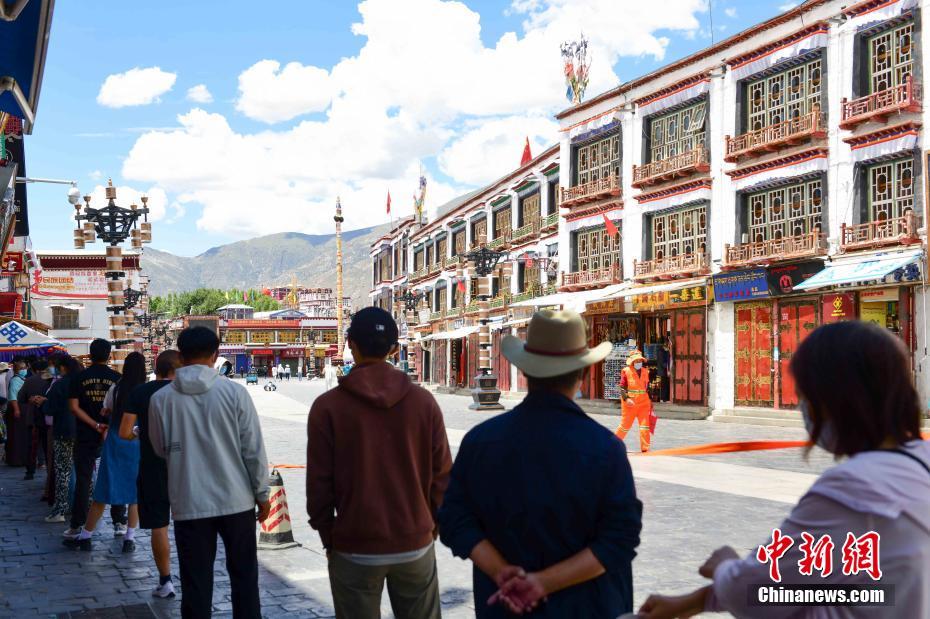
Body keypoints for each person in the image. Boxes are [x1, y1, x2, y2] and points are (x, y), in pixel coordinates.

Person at [639, 321, 930, 619]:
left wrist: (725, 567)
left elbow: (756, 591)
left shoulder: (854, 487)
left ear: (832, 399)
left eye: (805, 395)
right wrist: (698, 600)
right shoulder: (919, 462)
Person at [438, 310, 643, 617]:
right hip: (587, 608)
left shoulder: (480, 442)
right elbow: (618, 540)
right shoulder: (605, 449)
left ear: (525, 370)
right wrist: (541, 584)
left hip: (504, 608)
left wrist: (501, 572)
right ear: (584, 373)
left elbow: (455, 520)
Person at [307, 307, 452, 619]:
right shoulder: (424, 403)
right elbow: (442, 476)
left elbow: (318, 485)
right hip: (414, 544)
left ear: (350, 344)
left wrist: (329, 536)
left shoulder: (327, 407)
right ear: (394, 349)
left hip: (354, 546)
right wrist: (430, 527)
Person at [150, 326, 270, 618]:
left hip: (189, 501)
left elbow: (160, 448)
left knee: (195, 583)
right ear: (216, 355)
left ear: (180, 357)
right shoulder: (235, 393)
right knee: (244, 578)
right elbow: (253, 450)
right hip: (236, 501)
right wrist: (262, 494)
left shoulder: (161, 400)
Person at [65, 352, 146, 552]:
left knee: (103, 490)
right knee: (135, 494)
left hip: (115, 441)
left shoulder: (116, 388)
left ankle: (86, 536)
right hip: (136, 443)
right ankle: (129, 537)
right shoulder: (144, 391)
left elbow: (105, 409)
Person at [119, 349, 182, 599]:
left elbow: (124, 432)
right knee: (191, 525)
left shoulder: (141, 392)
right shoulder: (188, 392)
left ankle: (166, 581)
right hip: (186, 467)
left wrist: (138, 432)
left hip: (152, 465)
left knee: (159, 525)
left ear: (157, 369)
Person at [64, 339, 124, 540]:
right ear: (109, 356)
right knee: (115, 475)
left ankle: (77, 524)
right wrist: (106, 425)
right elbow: (121, 408)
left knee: (83, 479)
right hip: (112, 432)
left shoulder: (79, 378)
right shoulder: (117, 378)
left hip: (85, 433)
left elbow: (73, 408)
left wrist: (94, 424)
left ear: (90, 355)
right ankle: (119, 521)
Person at [43, 356, 81, 523]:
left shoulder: (60, 385)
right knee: (84, 471)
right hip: (83, 432)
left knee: (63, 472)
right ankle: (85, 505)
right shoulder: (83, 383)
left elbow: (49, 409)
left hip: (63, 432)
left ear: (63, 368)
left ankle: (60, 510)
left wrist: (42, 403)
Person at [18, 359, 52, 484]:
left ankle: (30, 472)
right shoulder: (52, 380)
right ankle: (49, 472)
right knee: (48, 447)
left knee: (31, 446)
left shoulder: (30, 380)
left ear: (35, 370)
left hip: (33, 418)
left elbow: (20, 398)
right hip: (48, 418)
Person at [615, 350, 653, 453]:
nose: (639, 363)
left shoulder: (645, 371)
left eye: (640, 361)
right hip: (630, 403)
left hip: (644, 403)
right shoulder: (626, 371)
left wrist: (650, 401)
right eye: (636, 361)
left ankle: (645, 448)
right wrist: (626, 398)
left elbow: (647, 388)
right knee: (625, 426)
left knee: (645, 426)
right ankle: (612, 444)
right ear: (632, 362)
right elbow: (622, 387)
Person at [5, 361, 29, 470]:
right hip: (16, 408)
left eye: (25, 367)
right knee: (16, 435)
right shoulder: (15, 380)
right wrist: (16, 409)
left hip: (21, 408)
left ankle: (22, 458)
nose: (24, 370)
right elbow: (12, 396)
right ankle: (16, 459)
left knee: (21, 435)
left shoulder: (22, 379)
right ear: (16, 369)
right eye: (22, 368)